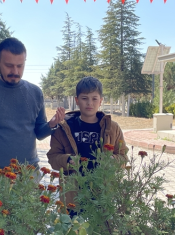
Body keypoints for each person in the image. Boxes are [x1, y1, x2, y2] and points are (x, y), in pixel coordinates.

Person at [0, 37, 65, 168]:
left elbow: (39, 133)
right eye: (9, 66)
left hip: (28, 173)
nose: (15, 72)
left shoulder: (35, 92)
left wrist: (51, 124)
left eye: (20, 66)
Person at [47, 75, 127, 207]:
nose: (89, 103)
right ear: (77, 100)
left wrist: (112, 160)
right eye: (84, 98)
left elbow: (123, 157)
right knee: (71, 227)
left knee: (100, 227)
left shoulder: (112, 128)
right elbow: (53, 157)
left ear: (100, 101)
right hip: (72, 196)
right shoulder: (63, 127)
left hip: (101, 195)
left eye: (94, 99)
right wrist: (68, 160)